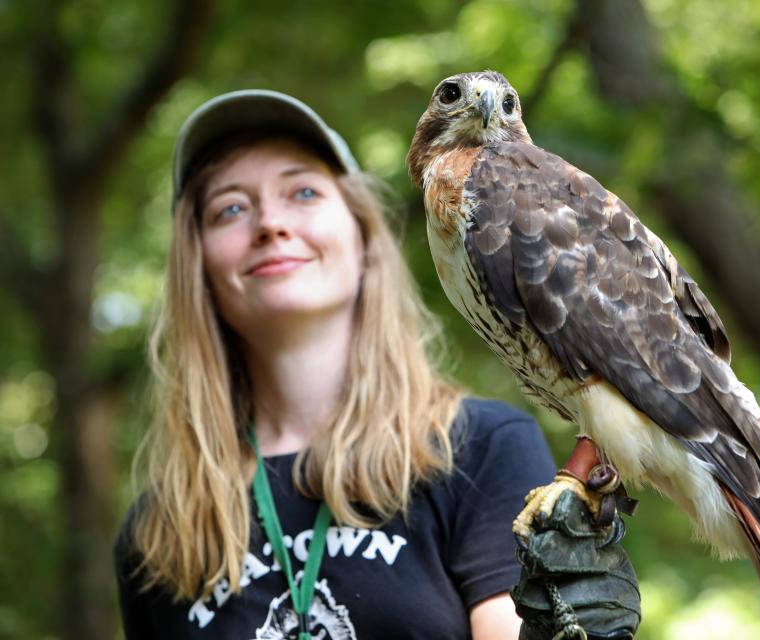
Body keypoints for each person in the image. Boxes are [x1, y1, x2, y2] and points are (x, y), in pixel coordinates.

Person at [113, 89, 559, 639]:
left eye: (302, 192)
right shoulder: (156, 533)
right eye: (230, 207)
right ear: (198, 267)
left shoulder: (482, 449)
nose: (269, 223)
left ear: (364, 240)